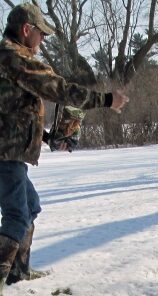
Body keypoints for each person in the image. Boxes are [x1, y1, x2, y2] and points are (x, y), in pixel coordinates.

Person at [0, 3, 129, 295]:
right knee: (17, 215)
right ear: (26, 30)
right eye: (40, 34)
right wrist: (106, 100)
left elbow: (11, 113)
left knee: (29, 207)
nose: (42, 40)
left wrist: (48, 139)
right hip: (6, 155)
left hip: (10, 151)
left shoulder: (8, 59)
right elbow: (57, 89)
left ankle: (18, 272)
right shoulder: (14, 57)